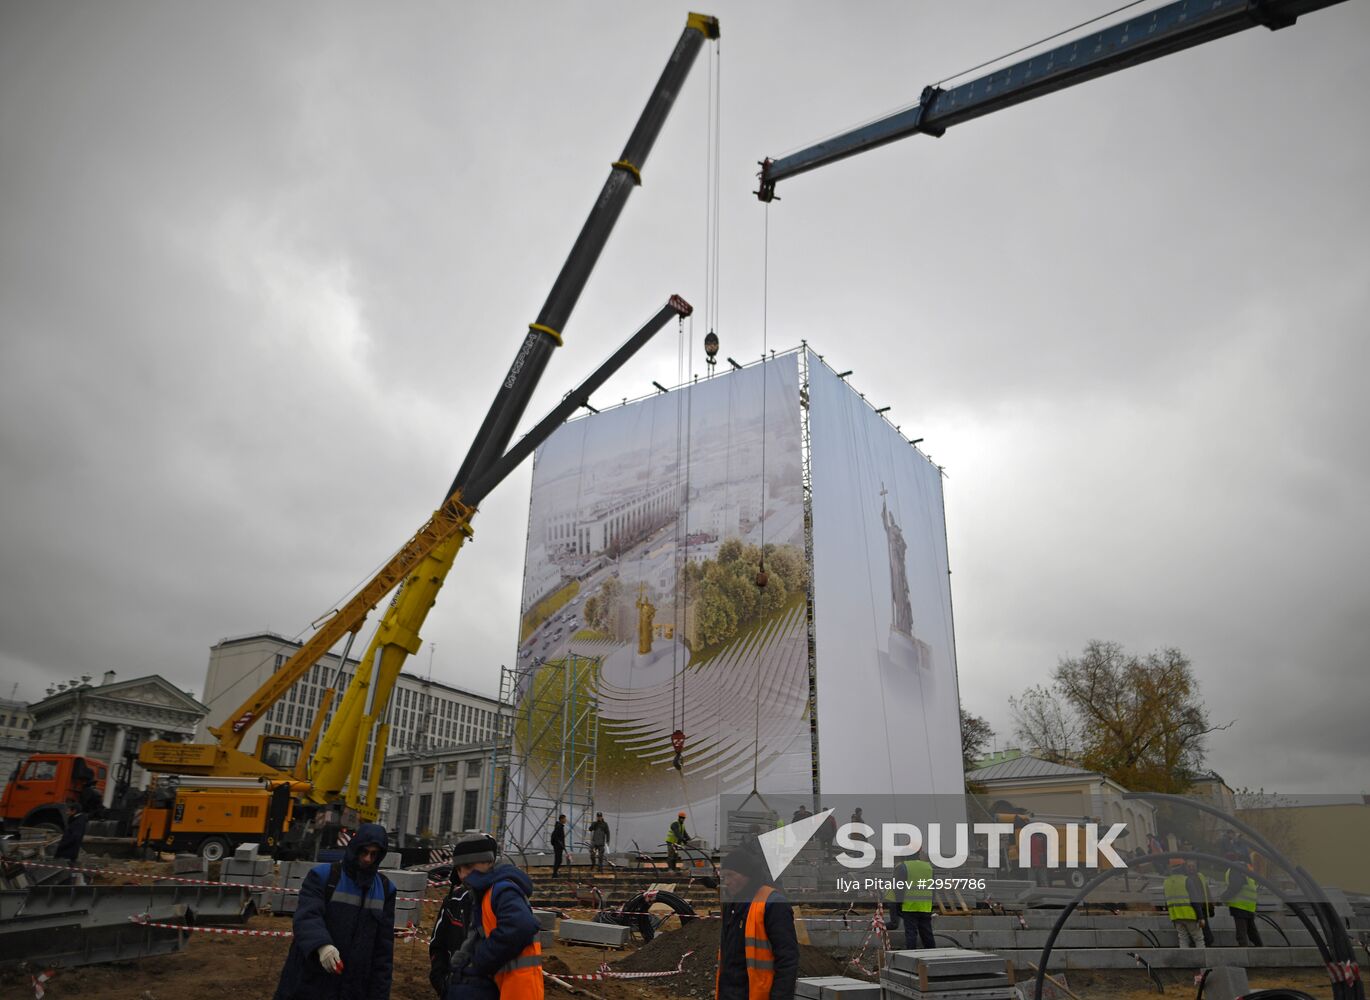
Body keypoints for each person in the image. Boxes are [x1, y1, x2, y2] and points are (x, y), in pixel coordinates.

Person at [273, 822, 396, 1000]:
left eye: (374, 854)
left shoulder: (385, 890)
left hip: (354, 987)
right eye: (364, 852)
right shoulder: (323, 876)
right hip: (312, 980)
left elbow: (383, 951)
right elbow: (307, 916)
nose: (368, 859)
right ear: (355, 848)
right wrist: (322, 946)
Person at [444, 833, 543, 1000]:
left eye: (467, 867)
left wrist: (480, 960)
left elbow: (522, 926)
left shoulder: (502, 890)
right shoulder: (486, 893)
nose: (462, 876)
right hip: (504, 984)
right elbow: (480, 934)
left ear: (487, 863)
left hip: (518, 988)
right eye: (459, 870)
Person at [716, 845, 799, 1000]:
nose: (726, 882)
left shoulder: (773, 904)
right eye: (723, 877)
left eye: (730, 875)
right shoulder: (731, 905)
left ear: (747, 875)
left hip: (759, 994)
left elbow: (787, 959)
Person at [429, 866, 475, 998]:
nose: (467, 875)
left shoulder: (496, 903)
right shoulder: (453, 901)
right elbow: (437, 944)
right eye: (463, 869)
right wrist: (442, 982)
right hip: (453, 989)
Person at [894, 850, 935, 949]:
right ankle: (932, 954)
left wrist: (898, 904)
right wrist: (931, 904)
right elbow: (933, 888)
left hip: (910, 906)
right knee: (927, 933)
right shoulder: (928, 867)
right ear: (918, 855)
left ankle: (911, 957)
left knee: (911, 933)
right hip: (925, 906)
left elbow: (898, 888)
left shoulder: (903, 867)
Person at [1163, 861, 1207, 949]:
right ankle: (1202, 960)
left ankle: (1185, 960)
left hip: (1176, 916)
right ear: (1182, 867)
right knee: (1198, 938)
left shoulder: (1166, 882)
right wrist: (1201, 917)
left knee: (1183, 938)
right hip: (1190, 915)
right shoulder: (1186, 880)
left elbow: (1166, 901)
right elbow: (1195, 900)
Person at [1221, 859, 1263, 947]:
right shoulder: (1244, 869)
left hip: (1240, 905)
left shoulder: (1235, 869)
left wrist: (1223, 897)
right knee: (1252, 932)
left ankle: (1244, 953)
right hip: (1249, 905)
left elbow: (1236, 886)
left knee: (1241, 933)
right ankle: (1260, 948)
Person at [53, 801, 88, 879]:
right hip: (68, 851)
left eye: (68, 810)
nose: (66, 812)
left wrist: (62, 845)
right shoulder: (76, 820)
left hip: (68, 852)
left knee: (66, 873)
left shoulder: (78, 822)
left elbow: (74, 837)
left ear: (74, 811)